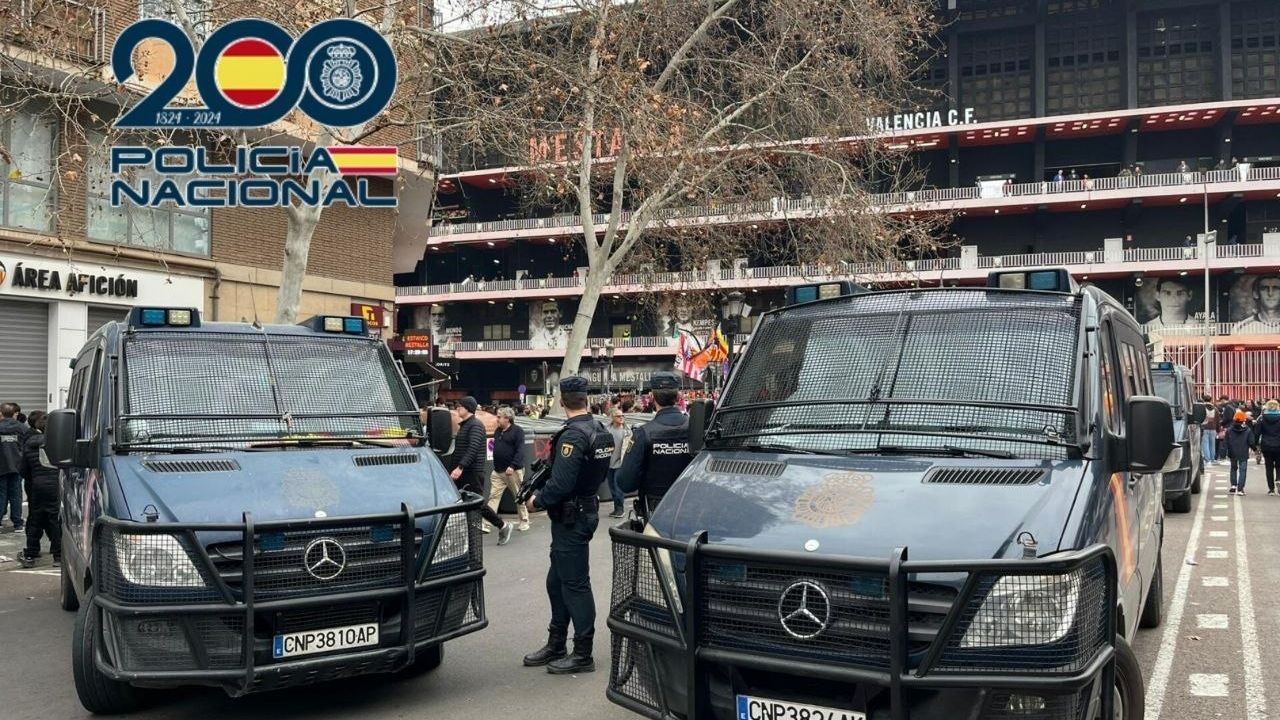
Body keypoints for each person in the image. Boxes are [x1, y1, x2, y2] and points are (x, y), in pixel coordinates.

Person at [522, 376, 614, 675]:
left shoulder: (573, 436)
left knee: (575, 585)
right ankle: (557, 642)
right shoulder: (600, 431)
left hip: (572, 516)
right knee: (557, 582)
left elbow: (561, 484)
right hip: (582, 510)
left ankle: (583, 653)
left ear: (562, 402)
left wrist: (537, 501)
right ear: (586, 399)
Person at [615, 372, 693, 520]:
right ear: (678, 397)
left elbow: (625, 482)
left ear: (652, 397)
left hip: (657, 512)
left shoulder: (643, 433)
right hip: (691, 508)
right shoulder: (696, 429)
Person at [451, 397, 513, 545]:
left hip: (472, 472)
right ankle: (467, 535)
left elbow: (472, 449)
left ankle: (503, 525)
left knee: (477, 503)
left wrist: (460, 467)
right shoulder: (466, 425)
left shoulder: (475, 425)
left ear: (468, 408)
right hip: (465, 472)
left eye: (460, 406)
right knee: (465, 503)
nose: (457, 408)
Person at [17, 411, 59, 566]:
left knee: (35, 518)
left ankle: (31, 553)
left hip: (37, 485)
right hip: (55, 484)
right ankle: (58, 555)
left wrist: (32, 479)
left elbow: (23, 469)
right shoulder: (58, 442)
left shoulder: (30, 443)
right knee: (55, 520)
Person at [489, 407, 531, 532]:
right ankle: (486, 523)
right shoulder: (498, 431)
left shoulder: (518, 431)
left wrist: (512, 466)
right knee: (493, 497)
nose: (497, 419)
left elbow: (520, 451)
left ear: (507, 418)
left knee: (519, 496)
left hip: (512, 471)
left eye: (499, 417)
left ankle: (524, 521)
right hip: (498, 471)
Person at [0, 402, 30, 533]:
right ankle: (17, 523)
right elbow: (27, 446)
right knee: (16, 495)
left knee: (1, 494)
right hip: (17, 466)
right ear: (14, 414)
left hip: (1, 466)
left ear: (1, 413)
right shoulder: (22, 428)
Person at [605, 408, 632, 518]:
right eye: (618, 416)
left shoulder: (627, 431)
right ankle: (616, 508)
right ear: (612, 417)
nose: (621, 418)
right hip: (609, 463)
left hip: (620, 464)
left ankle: (620, 509)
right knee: (612, 487)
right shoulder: (607, 430)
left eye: (622, 416)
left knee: (617, 487)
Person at [1226, 410, 1256, 495]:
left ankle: (1233, 485)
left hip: (1232, 451)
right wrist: (1255, 449)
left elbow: (1226, 441)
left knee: (1233, 468)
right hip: (1243, 452)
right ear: (1244, 420)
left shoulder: (1229, 430)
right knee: (1243, 470)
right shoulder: (1247, 430)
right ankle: (1240, 488)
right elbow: (1251, 442)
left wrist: (1227, 450)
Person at [1256, 400, 1280, 494]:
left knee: (1269, 466)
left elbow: (1257, 432)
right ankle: (1278, 478)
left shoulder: (1262, 418)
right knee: (1279, 465)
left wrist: (1255, 445)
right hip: (1279, 444)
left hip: (1266, 444)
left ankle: (1271, 489)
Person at [1201, 394, 1218, 467]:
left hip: (1204, 427)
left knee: (1205, 444)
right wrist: (1217, 428)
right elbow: (1217, 419)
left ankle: (1207, 460)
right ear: (1211, 400)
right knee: (1212, 444)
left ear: (1203, 400)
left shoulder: (1202, 408)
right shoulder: (1215, 408)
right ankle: (1212, 459)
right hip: (1213, 428)